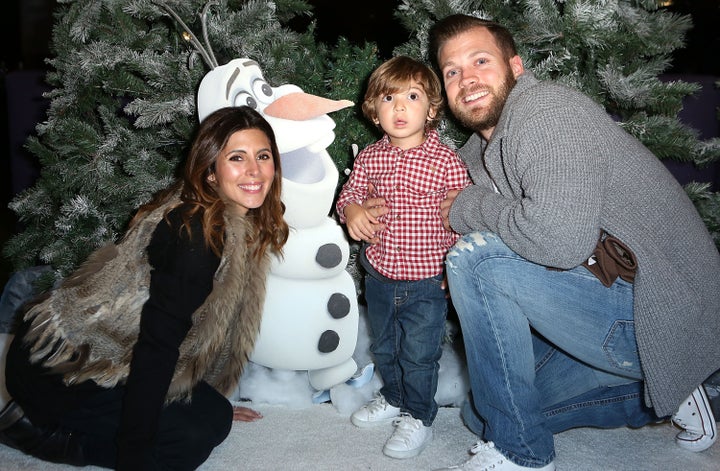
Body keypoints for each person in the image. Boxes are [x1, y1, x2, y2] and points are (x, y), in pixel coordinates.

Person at [402, 13, 720, 471]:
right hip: (601, 304)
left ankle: (523, 454)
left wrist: (470, 211)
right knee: (482, 414)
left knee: (475, 259)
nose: (466, 79)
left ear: (516, 67)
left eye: (480, 61)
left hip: (662, 308)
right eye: (452, 71)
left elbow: (557, 242)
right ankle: (679, 387)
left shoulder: (546, 110)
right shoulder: (476, 154)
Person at [0, 105, 289, 470]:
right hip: (60, 365)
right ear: (211, 172)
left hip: (101, 351)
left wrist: (205, 399)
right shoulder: (197, 239)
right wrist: (135, 455)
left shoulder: (227, 215)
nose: (254, 171)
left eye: (263, 156)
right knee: (188, 441)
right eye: (237, 158)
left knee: (215, 416)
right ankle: (32, 431)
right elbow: (157, 347)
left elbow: (208, 322)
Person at [336, 55, 470, 459]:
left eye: (411, 97)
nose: (398, 107)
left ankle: (419, 415)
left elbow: (463, 216)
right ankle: (394, 397)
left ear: (430, 109)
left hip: (427, 281)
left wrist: (459, 264)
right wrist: (353, 211)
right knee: (386, 346)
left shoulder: (446, 161)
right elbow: (349, 196)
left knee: (419, 354)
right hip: (379, 275)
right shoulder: (371, 157)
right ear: (374, 111)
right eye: (388, 97)